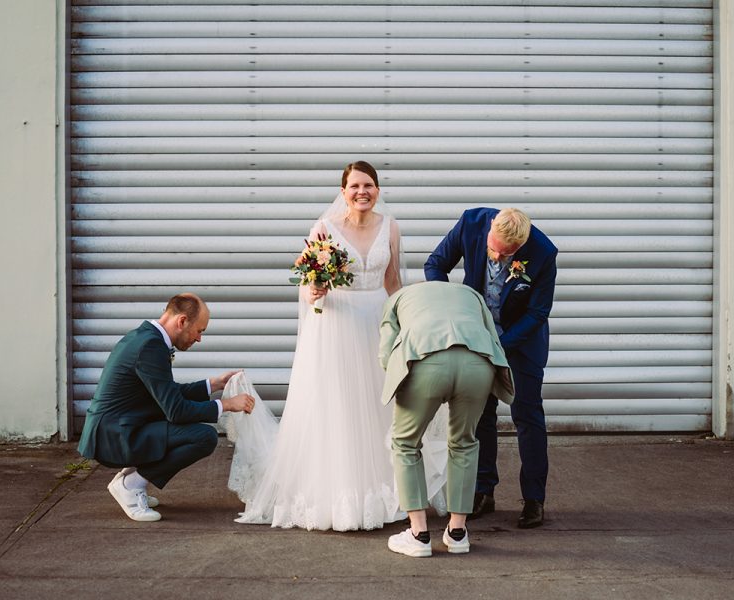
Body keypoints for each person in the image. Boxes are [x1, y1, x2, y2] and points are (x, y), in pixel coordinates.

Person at [227, 161, 448, 531]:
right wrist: (312, 291)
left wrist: (410, 322)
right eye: (355, 186)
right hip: (337, 325)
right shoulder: (325, 229)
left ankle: (390, 492)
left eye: (369, 186)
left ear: (377, 190)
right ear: (343, 192)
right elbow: (307, 282)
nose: (363, 192)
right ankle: (341, 495)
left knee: (381, 402)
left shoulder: (390, 228)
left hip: (378, 321)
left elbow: (393, 280)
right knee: (341, 405)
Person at [425, 207, 557, 529]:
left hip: (521, 343)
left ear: (521, 245)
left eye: (506, 254)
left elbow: (538, 312)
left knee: (527, 416)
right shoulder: (471, 223)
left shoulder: (543, 252)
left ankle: (534, 499)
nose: (496, 257)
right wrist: (451, 311)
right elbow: (435, 265)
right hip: (476, 336)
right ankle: (483, 492)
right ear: (490, 230)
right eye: (492, 248)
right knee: (481, 415)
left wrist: (502, 344)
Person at [77, 293, 255, 522]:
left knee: (192, 431)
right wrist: (227, 404)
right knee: (204, 437)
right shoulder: (151, 346)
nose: (199, 338)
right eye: (199, 330)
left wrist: (213, 385)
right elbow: (176, 411)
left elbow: (166, 393)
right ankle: (131, 484)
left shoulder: (145, 337)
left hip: (119, 427)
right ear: (182, 321)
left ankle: (131, 479)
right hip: (113, 437)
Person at [380, 281, 514, 557]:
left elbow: (386, 352)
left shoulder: (397, 298)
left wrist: (401, 381)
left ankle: (419, 535)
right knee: (464, 442)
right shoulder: (472, 295)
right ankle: (457, 533)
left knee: (405, 443)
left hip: (426, 362)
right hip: (478, 364)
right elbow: (492, 334)